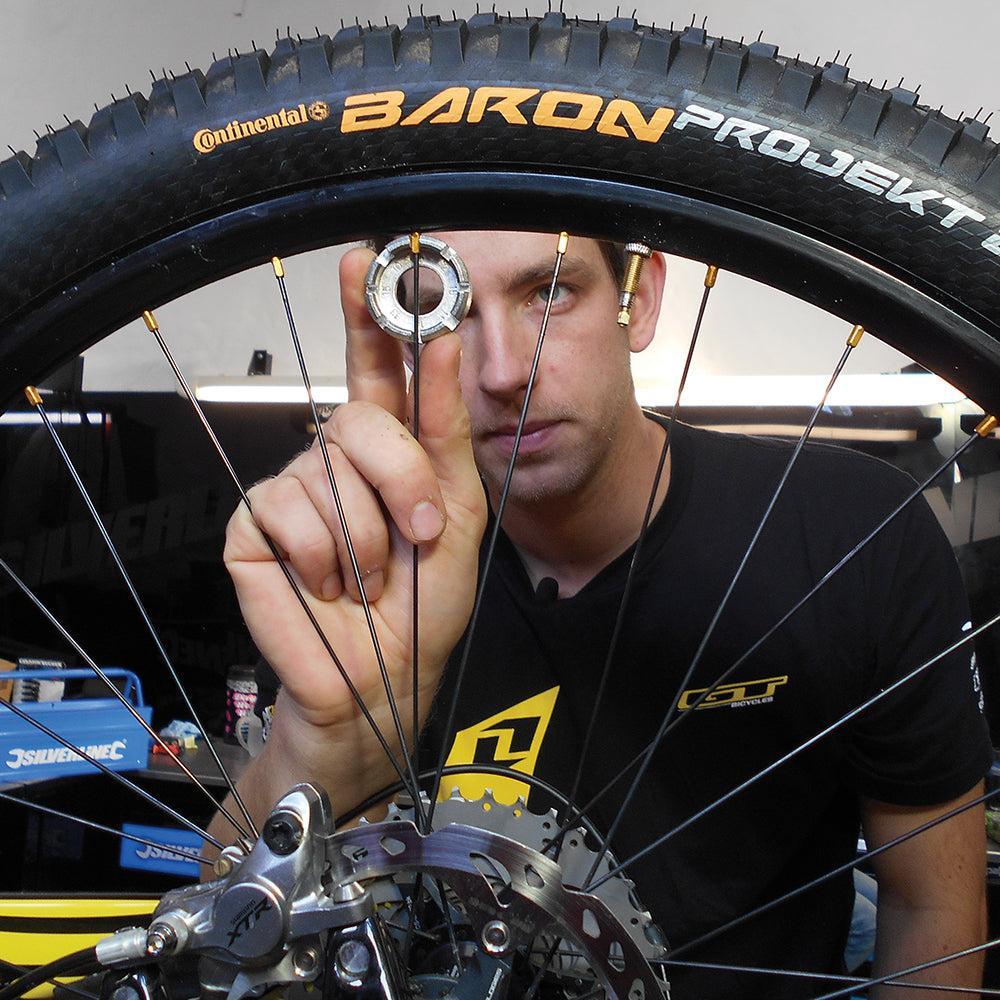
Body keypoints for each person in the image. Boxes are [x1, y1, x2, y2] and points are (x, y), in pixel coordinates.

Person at [216, 232, 990, 999]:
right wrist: (325, 744)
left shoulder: (853, 533)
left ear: (639, 298)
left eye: (549, 292)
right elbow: (217, 933)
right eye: (441, 309)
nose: (503, 370)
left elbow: (932, 909)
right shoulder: (382, 568)